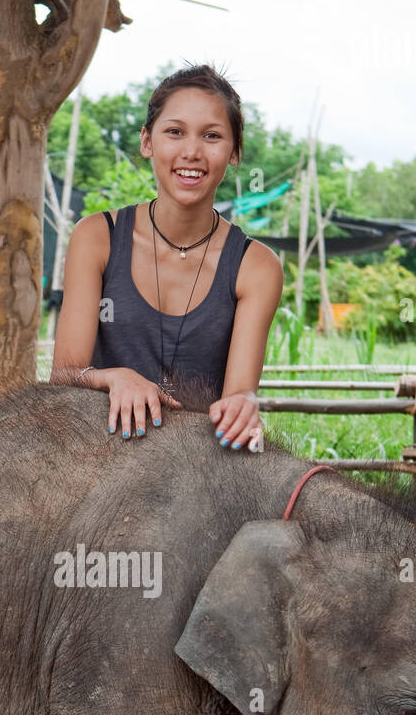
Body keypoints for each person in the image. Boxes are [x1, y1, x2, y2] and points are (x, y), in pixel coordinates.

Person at [51, 63, 283, 450]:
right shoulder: (97, 238)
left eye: (212, 136)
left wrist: (244, 406)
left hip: (195, 466)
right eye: (174, 132)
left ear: (234, 152)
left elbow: (238, 395)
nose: (191, 152)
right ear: (147, 142)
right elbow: (64, 375)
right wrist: (114, 377)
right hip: (94, 450)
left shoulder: (256, 267)